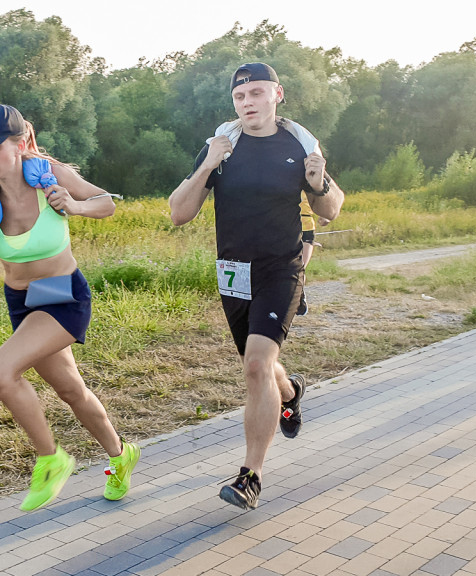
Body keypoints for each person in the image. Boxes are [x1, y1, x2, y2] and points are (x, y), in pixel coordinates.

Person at [0, 104, 140, 511]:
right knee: (71, 389)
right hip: (21, 301)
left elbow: (106, 202)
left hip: (61, 294)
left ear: (19, 144)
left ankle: (51, 459)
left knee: (1, 374)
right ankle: (120, 454)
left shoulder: (49, 175)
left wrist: (75, 205)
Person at [168, 63, 344, 510]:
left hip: (281, 269)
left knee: (255, 365)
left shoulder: (299, 144)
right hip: (233, 271)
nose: (248, 103)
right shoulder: (222, 147)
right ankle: (290, 393)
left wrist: (317, 182)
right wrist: (207, 164)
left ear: (276, 95)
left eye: (257, 94)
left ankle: (251, 477)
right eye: (240, 96)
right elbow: (178, 213)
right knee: (260, 365)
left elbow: (332, 206)